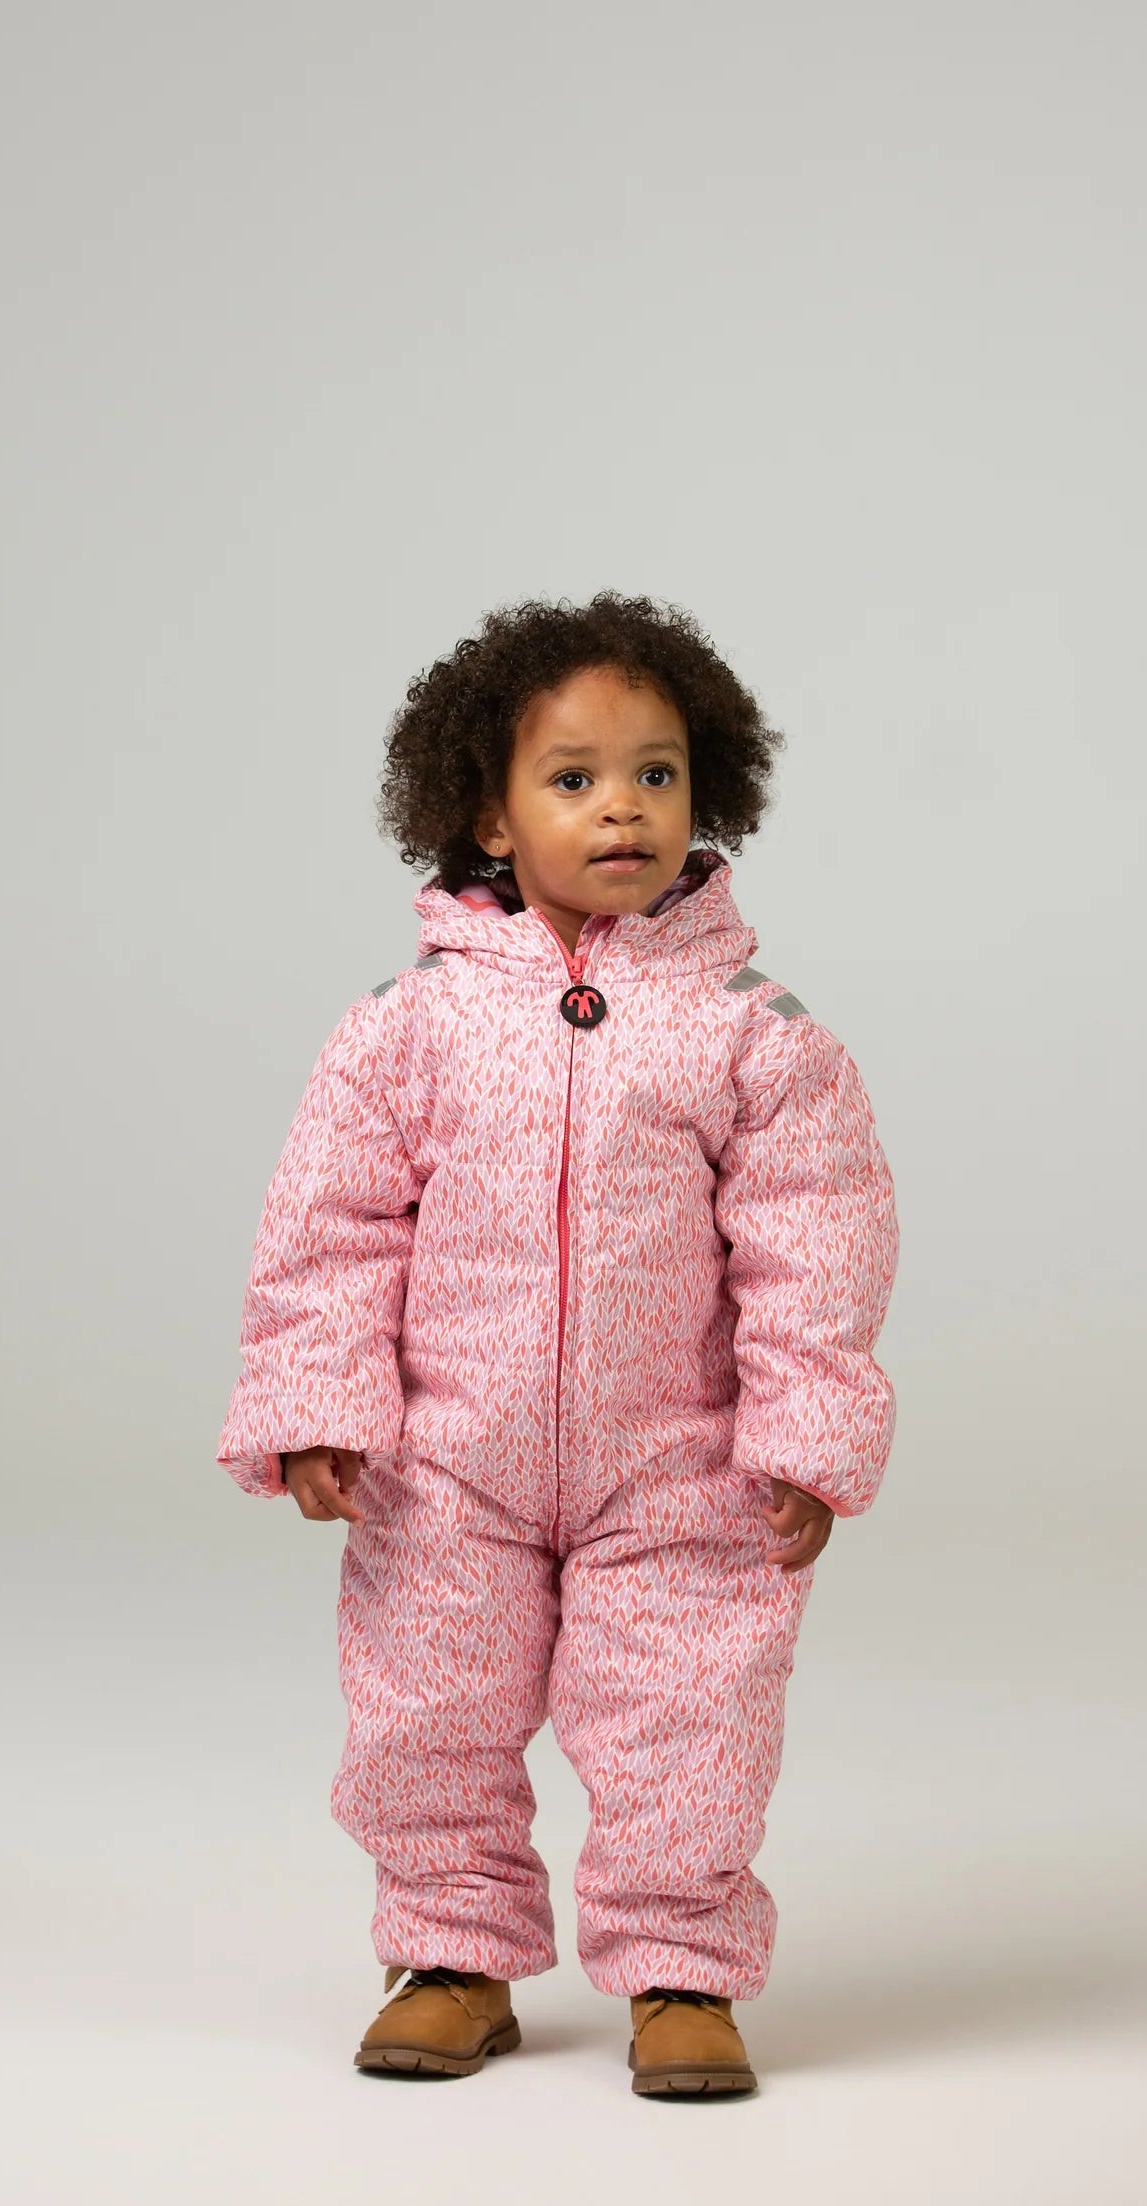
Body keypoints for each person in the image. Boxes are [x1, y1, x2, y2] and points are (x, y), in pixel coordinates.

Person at [216, 590, 899, 2097]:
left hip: (677, 1467)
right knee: (426, 1714)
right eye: (574, 777)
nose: (623, 807)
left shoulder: (754, 1029)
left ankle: (682, 1968)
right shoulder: (409, 1024)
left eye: (656, 773)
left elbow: (817, 1243)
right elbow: (333, 1223)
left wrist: (805, 1435)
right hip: (448, 1463)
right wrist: (319, 1399)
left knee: (692, 1718)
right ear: (489, 811)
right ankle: (449, 1954)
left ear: (706, 792)